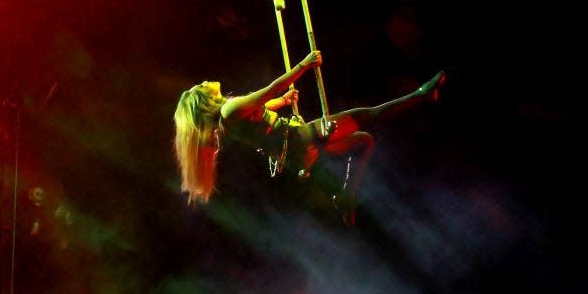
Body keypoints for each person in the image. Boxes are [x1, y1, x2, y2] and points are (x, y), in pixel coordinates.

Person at [173, 50, 446, 226]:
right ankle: (422, 94)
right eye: (200, 86)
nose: (204, 81)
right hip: (301, 139)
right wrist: (305, 64)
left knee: (364, 141)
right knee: (367, 115)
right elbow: (270, 89)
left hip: (298, 151)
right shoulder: (229, 110)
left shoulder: (229, 118)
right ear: (203, 99)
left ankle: (344, 197)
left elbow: (264, 107)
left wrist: (283, 100)